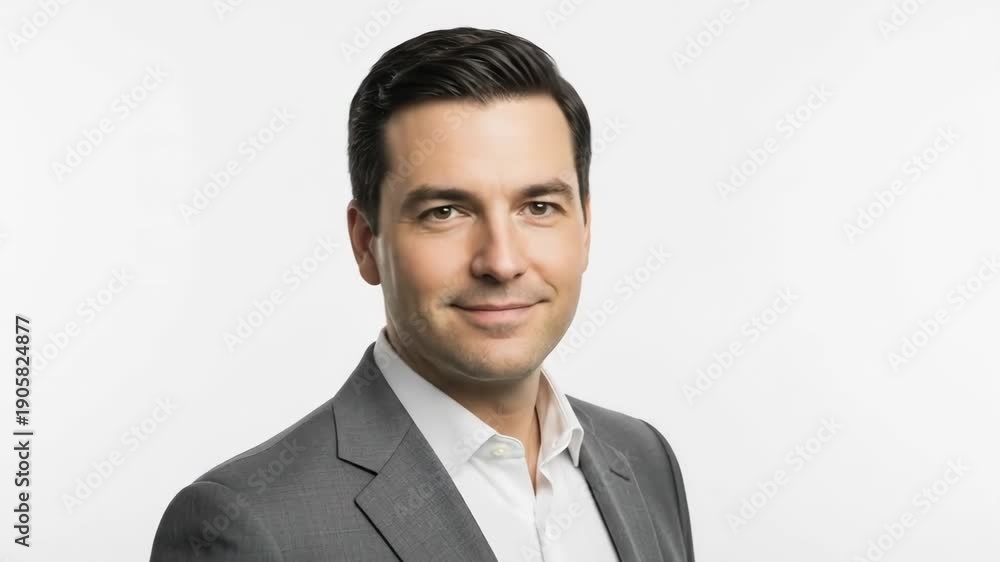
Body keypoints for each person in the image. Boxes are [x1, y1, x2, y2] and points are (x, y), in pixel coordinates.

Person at [150, 26, 694, 562]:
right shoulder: (246, 527)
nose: (501, 261)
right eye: (445, 212)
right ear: (366, 243)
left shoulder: (644, 461)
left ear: (585, 228)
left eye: (538, 207)